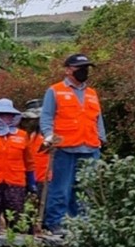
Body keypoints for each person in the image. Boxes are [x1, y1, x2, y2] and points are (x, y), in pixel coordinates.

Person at [40, 54, 105, 234]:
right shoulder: (55, 91)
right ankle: (56, 222)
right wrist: (48, 136)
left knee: (86, 189)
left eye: (86, 68)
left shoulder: (92, 93)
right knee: (61, 188)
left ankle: (83, 224)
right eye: (80, 67)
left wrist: (101, 139)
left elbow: (97, 118)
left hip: (90, 147)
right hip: (64, 148)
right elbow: (46, 117)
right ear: (68, 70)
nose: (84, 71)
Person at [0, 98, 34, 235]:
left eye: (9, 114)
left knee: (16, 216)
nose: (6, 117)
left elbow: (29, 162)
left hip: (15, 182)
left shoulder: (22, 135)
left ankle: (16, 245)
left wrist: (31, 183)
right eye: (2, 114)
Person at [20, 99, 49, 232]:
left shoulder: (48, 135)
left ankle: (42, 228)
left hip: (45, 176)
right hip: (27, 175)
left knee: (43, 205)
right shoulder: (24, 134)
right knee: (28, 207)